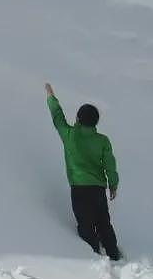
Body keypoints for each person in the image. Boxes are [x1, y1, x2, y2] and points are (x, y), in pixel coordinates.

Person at [45, 83, 122, 260]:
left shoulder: (69, 135)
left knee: (85, 224)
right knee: (104, 222)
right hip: (98, 189)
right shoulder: (103, 141)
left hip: (79, 189)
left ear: (78, 119)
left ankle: (93, 253)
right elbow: (110, 163)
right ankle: (113, 252)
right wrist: (113, 184)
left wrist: (51, 97)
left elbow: (57, 117)